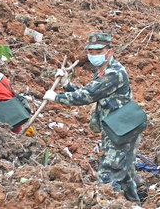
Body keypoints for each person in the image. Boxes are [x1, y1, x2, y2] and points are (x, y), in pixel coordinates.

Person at [43, 32, 141, 202]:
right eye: (91, 52)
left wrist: (56, 97)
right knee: (125, 176)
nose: (94, 55)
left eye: (98, 51)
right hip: (118, 128)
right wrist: (67, 84)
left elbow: (87, 96)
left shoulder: (114, 73)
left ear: (109, 51)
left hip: (122, 132)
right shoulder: (103, 71)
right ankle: (134, 204)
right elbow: (91, 93)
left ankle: (110, 204)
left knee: (107, 175)